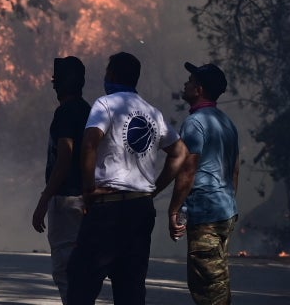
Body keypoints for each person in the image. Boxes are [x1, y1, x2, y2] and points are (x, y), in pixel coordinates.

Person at [66, 52, 188, 305]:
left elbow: (89, 144)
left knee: (81, 282)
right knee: (130, 287)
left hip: (108, 208)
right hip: (140, 208)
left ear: (112, 75)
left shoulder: (106, 105)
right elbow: (179, 153)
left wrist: (88, 189)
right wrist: (152, 189)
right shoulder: (152, 113)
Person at [167, 62, 239, 305]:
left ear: (198, 90)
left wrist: (174, 210)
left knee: (208, 290)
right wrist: (229, 201)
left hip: (206, 215)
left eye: (189, 81)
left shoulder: (194, 123)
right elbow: (235, 168)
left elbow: (187, 170)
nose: (185, 84)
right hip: (224, 211)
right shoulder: (227, 122)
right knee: (219, 281)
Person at [32, 56, 92, 304]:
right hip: (85, 198)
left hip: (67, 199)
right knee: (82, 268)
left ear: (64, 83)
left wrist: (45, 199)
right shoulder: (89, 110)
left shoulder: (65, 113)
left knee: (66, 269)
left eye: (56, 79)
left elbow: (65, 156)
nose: (52, 83)